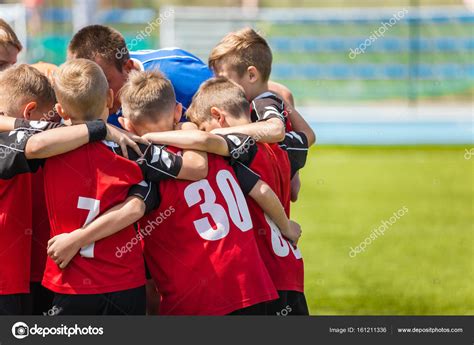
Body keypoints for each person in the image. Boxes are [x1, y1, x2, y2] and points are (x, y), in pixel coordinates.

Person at [46, 71, 302, 315]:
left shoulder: (146, 165)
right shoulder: (217, 151)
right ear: (179, 111)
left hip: (197, 299)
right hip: (255, 286)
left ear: (126, 124)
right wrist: (286, 226)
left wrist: (78, 238)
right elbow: (261, 189)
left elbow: (134, 208)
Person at [142, 77, 311, 315]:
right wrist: (281, 100)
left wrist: (151, 137)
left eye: (203, 124)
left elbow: (202, 140)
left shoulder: (239, 147)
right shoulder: (285, 145)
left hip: (265, 268)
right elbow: (308, 137)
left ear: (218, 117)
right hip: (290, 265)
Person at [0, 64, 140, 315]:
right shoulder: (130, 150)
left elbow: (37, 142)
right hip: (121, 282)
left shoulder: (55, 152)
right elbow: (37, 141)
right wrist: (100, 128)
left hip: (57, 280)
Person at [207, 27, 316, 202]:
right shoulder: (274, 104)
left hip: (255, 222)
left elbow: (275, 129)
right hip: (276, 222)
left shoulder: (262, 104)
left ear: (251, 74)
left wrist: (219, 133)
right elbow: (308, 137)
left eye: (223, 80)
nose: (219, 86)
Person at [66, 25, 213, 128]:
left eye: (104, 82)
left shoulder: (180, 75)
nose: (94, 94)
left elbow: (229, 117)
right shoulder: (78, 92)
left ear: (128, 68)